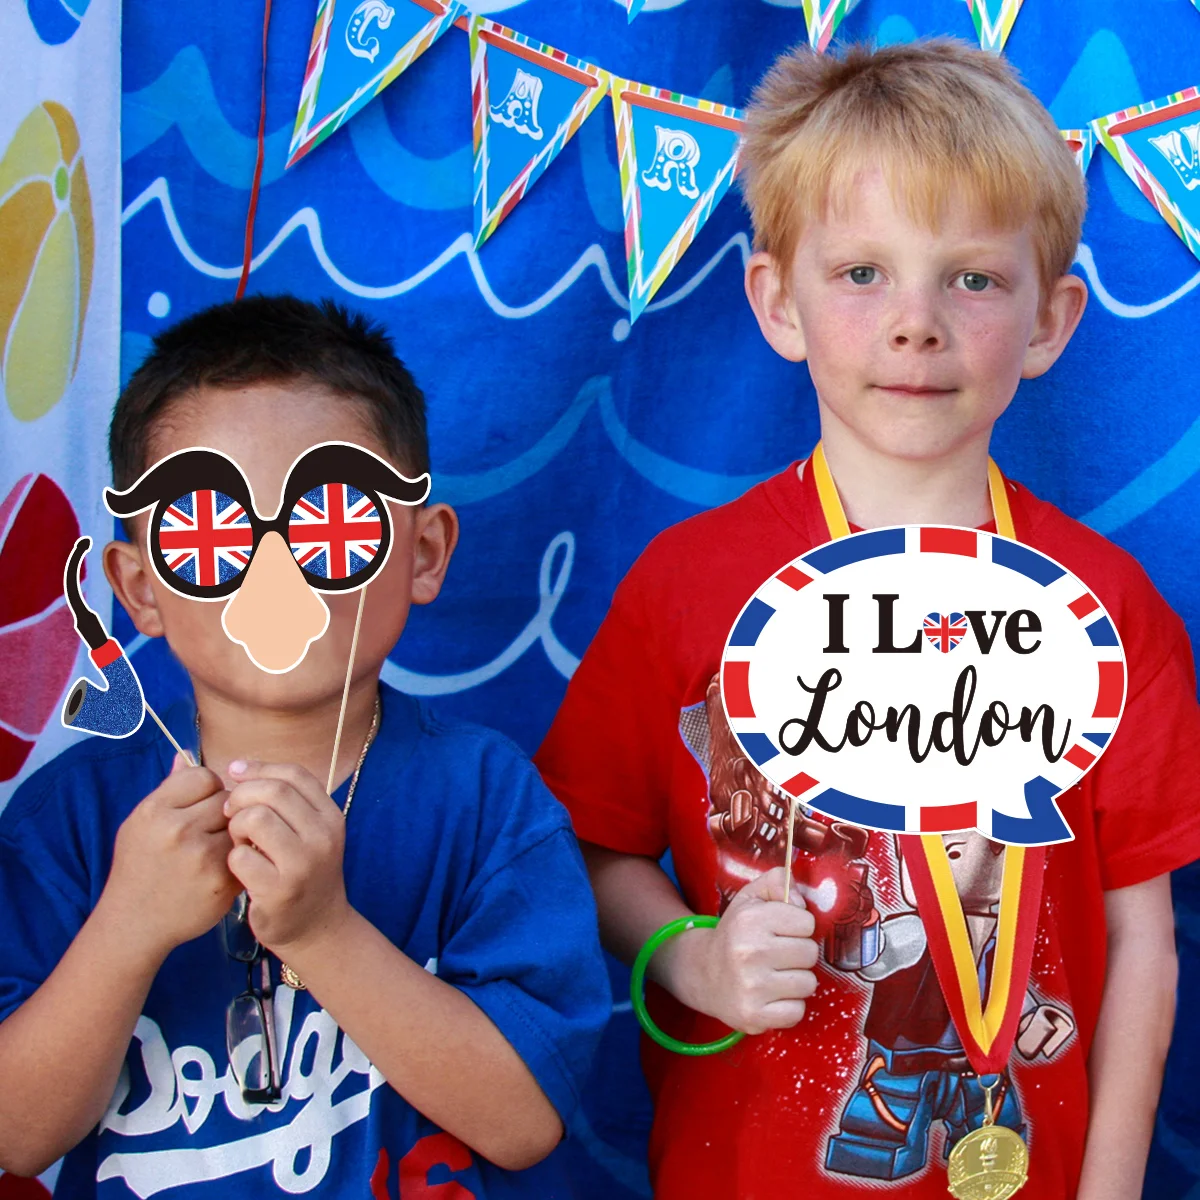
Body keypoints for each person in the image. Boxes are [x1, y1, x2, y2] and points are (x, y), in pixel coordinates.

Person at [535, 39, 1200, 1199]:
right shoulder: (685, 585)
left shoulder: (1109, 607)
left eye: (973, 279)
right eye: (862, 274)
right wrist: (691, 959)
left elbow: (1145, 938)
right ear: (776, 301)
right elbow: (586, 847)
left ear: (1049, 322)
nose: (917, 322)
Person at [0, 296, 610, 1198]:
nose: (273, 567)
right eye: (209, 532)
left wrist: (324, 934)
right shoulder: (71, 821)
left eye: (334, 521)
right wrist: (127, 926)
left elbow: (524, 1123)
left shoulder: (486, 799)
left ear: (423, 553)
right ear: (140, 588)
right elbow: (17, 1136)